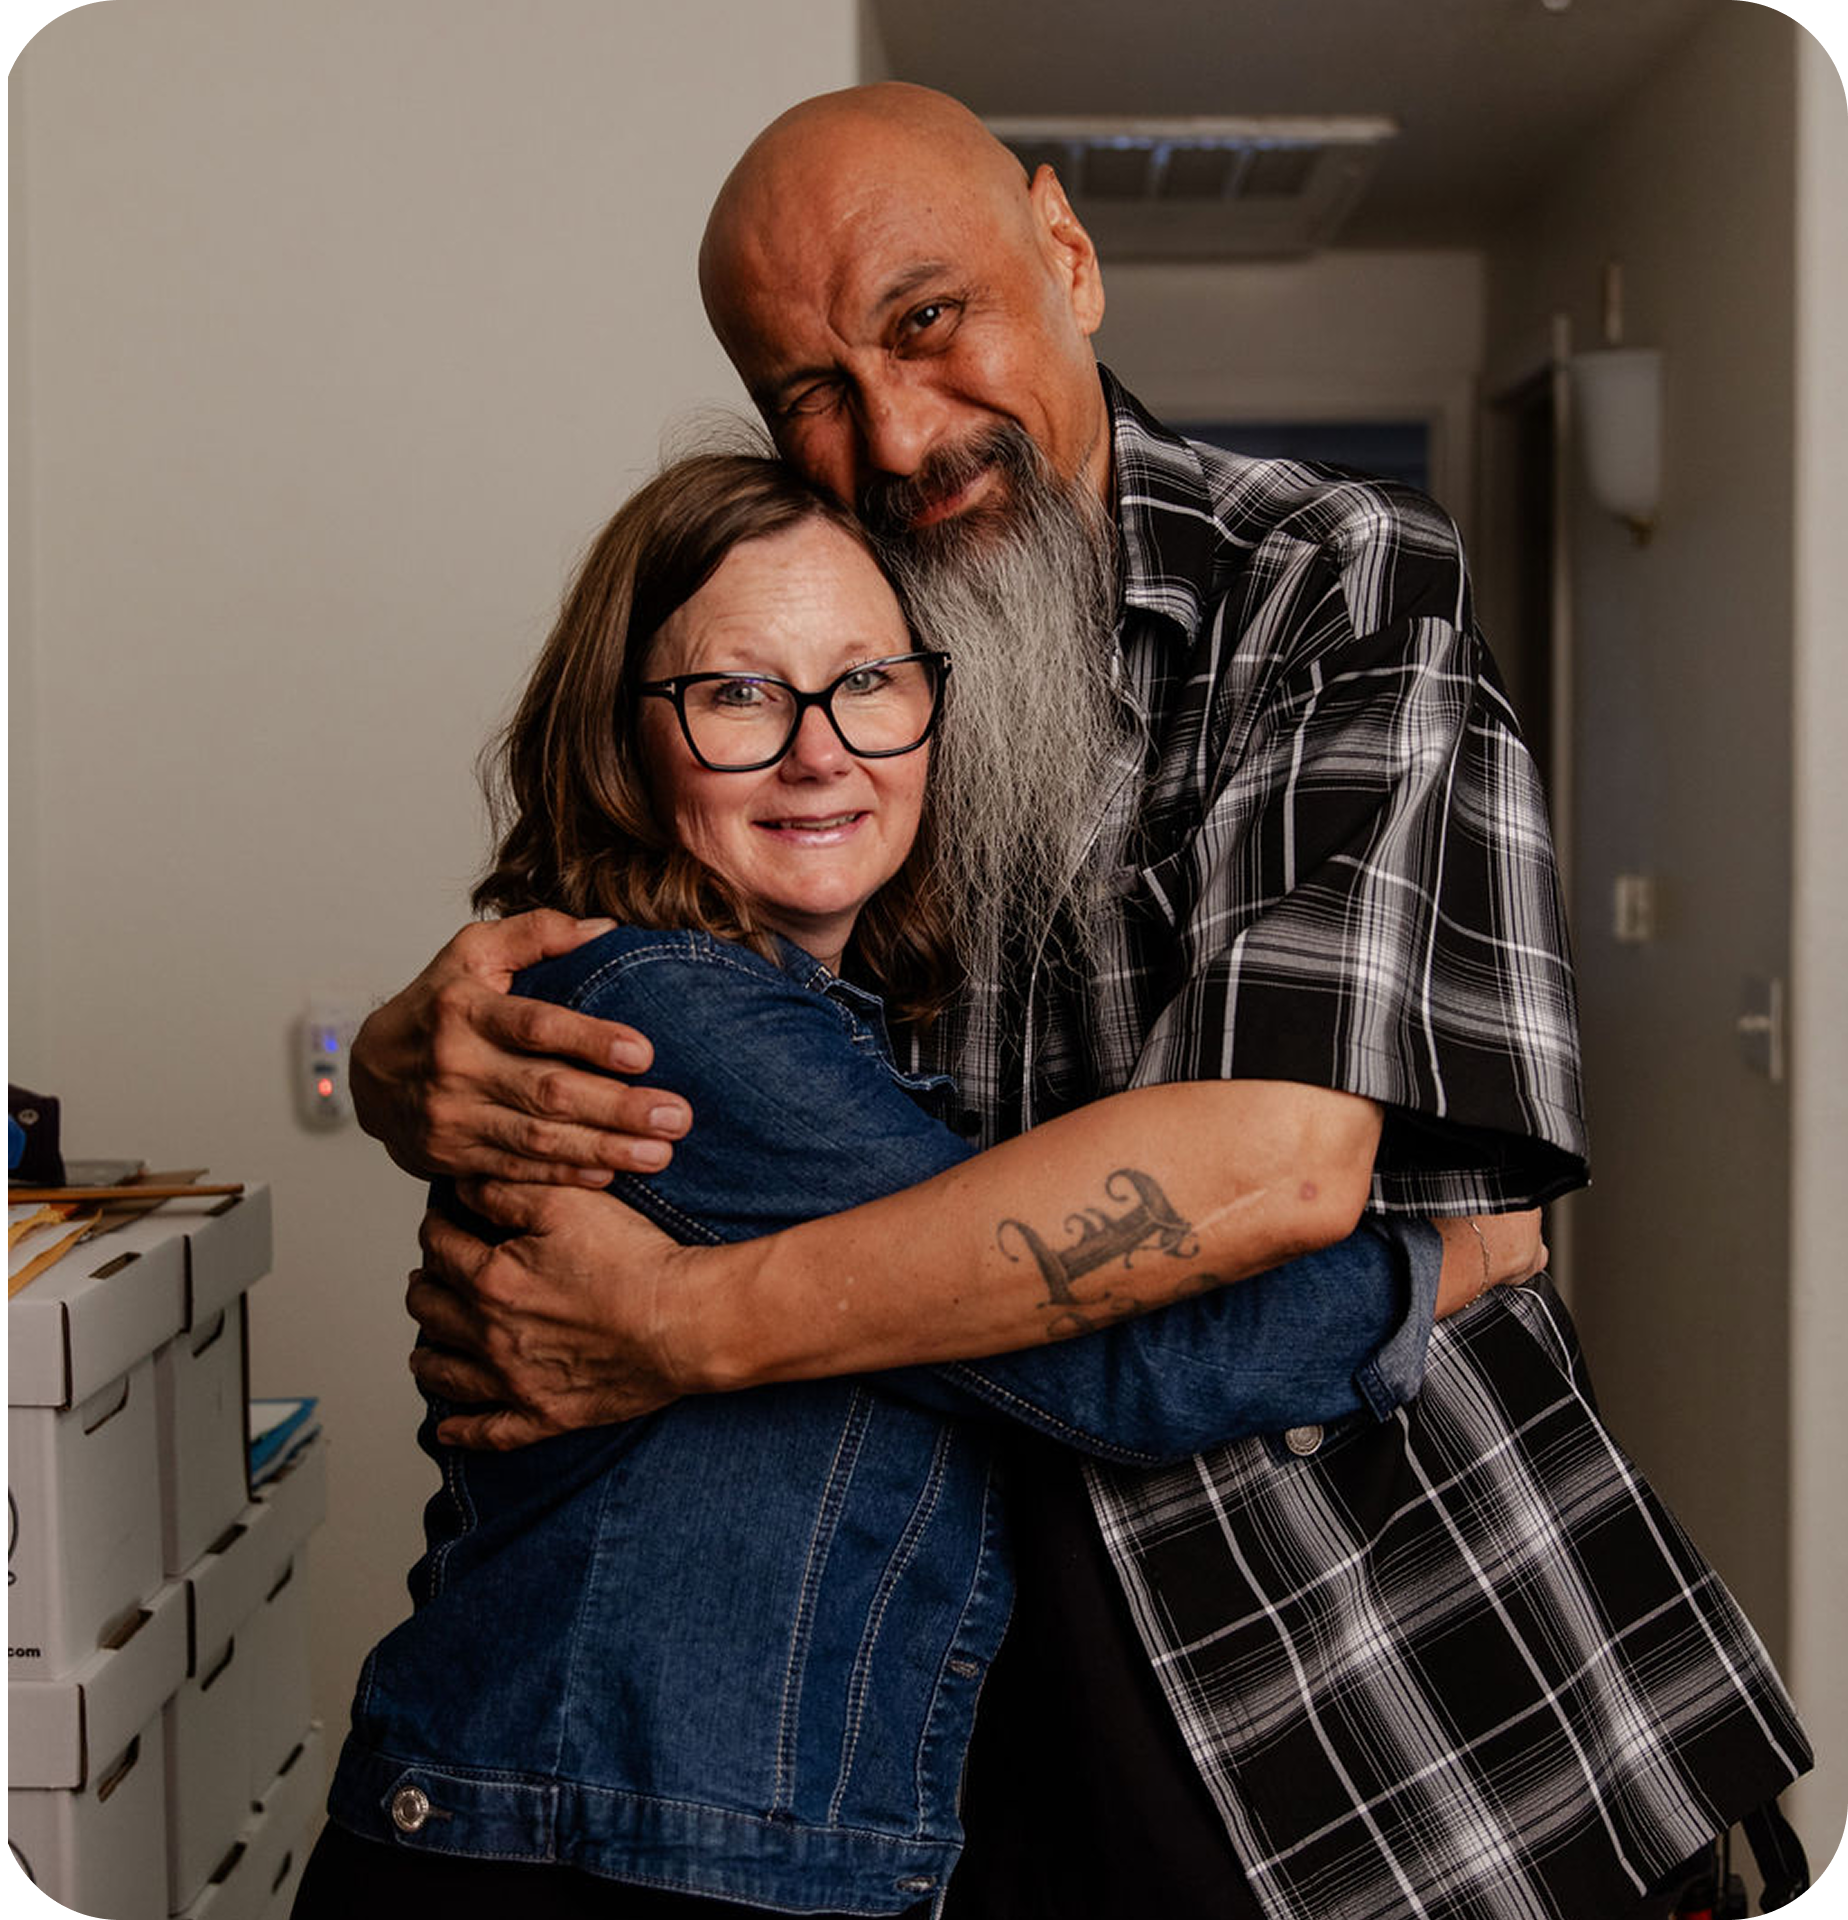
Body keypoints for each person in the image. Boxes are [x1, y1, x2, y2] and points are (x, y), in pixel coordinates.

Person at [354, 84, 1809, 1920]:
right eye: (805, 387)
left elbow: (1270, 1164)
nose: (888, 428)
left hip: (1406, 1701)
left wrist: (691, 1323)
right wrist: (431, 1046)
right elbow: (682, 884)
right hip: (991, 1739)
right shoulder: (861, 661)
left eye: (924, 317)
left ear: (1068, 251)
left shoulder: (1336, 584)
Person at [301, 452, 1507, 1920]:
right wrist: (1449, 1261)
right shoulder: (662, 1022)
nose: (823, 750)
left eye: (866, 679)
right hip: (577, 1858)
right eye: (739, 695)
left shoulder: (826, 1024)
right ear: (621, 736)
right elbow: (1111, 1351)